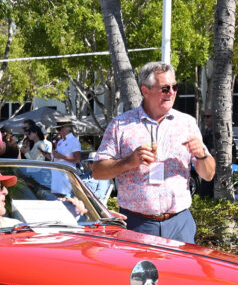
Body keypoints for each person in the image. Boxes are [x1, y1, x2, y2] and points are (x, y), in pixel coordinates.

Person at [92, 61, 214, 244]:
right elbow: (98, 171)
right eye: (165, 88)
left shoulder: (187, 123)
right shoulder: (121, 125)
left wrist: (202, 155)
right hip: (136, 223)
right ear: (145, 91)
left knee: (182, 265)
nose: (171, 93)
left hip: (179, 224)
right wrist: (129, 161)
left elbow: (208, 174)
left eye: (174, 87)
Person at [50, 118, 82, 196]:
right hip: (57, 173)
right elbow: (57, 157)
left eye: (59, 129)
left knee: (66, 197)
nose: (58, 131)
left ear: (66, 129)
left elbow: (77, 159)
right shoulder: (60, 141)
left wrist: (61, 156)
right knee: (56, 196)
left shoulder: (74, 141)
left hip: (66, 174)